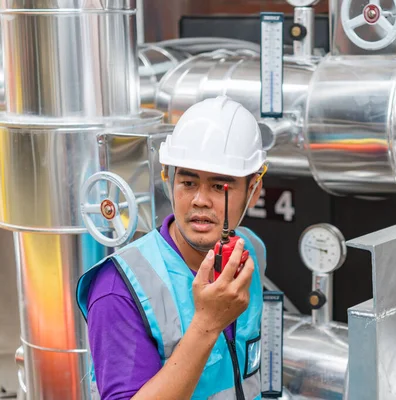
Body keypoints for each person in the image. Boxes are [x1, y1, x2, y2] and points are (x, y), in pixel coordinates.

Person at [76, 96, 269, 400]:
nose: (200, 200)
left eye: (220, 187)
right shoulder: (118, 289)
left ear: (254, 190)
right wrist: (207, 323)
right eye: (188, 183)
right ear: (169, 180)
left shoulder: (250, 254)